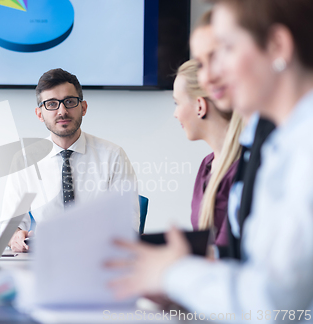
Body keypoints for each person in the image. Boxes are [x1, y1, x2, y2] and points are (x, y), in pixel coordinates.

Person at [109, 0, 313, 317]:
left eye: (226, 50)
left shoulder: (302, 149)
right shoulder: (281, 145)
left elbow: (273, 305)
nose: (209, 77)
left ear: (277, 46)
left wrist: (174, 273)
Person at [5, 68, 139, 252]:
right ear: (39, 114)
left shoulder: (113, 155)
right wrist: (16, 236)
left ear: (83, 107)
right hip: (46, 258)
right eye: (51, 104)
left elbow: (127, 224)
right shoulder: (25, 160)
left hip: (100, 258)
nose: (62, 111)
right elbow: (11, 226)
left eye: (69, 102)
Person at [191, 9, 276, 259]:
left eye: (222, 54)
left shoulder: (288, 145)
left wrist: (178, 274)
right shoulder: (255, 144)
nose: (208, 76)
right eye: (200, 64)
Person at [173, 59, 242, 247]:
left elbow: (225, 255)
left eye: (177, 103)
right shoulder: (206, 165)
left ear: (200, 106)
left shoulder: (243, 170)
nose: (175, 113)